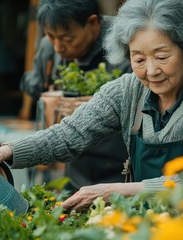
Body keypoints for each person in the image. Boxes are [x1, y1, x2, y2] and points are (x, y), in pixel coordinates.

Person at [0, 0, 183, 211]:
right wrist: (10, 151)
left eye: (162, 56)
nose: (152, 70)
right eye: (139, 58)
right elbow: (71, 134)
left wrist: (113, 191)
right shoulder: (127, 90)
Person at [19, 0, 131, 191]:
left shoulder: (125, 40)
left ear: (93, 22)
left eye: (68, 38)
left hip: (122, 164)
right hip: (74, 161)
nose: (58, 47)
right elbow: (30, 83)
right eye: (50, 36)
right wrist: (44, 88)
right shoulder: (50, 48)